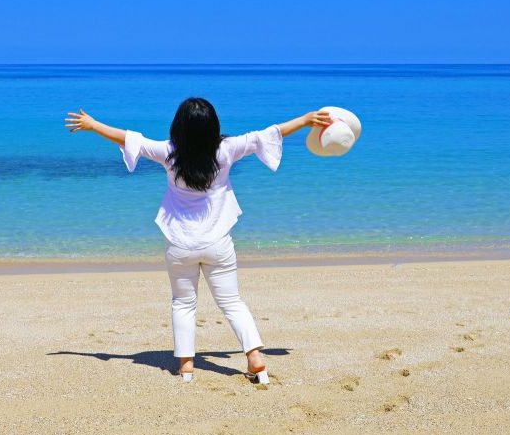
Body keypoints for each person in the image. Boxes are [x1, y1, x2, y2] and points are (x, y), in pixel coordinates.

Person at [64, 97, 332, 384]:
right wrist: (305, 120)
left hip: (180, 244)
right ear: (213, 126)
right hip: (218, 243)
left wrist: (93, 125)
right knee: (232, 302)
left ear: (179, 126)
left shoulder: (169, 153)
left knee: (183, 303)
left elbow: (129, 139)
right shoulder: (226, 150)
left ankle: (187, 366)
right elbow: (268, 134)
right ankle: (255, 357)